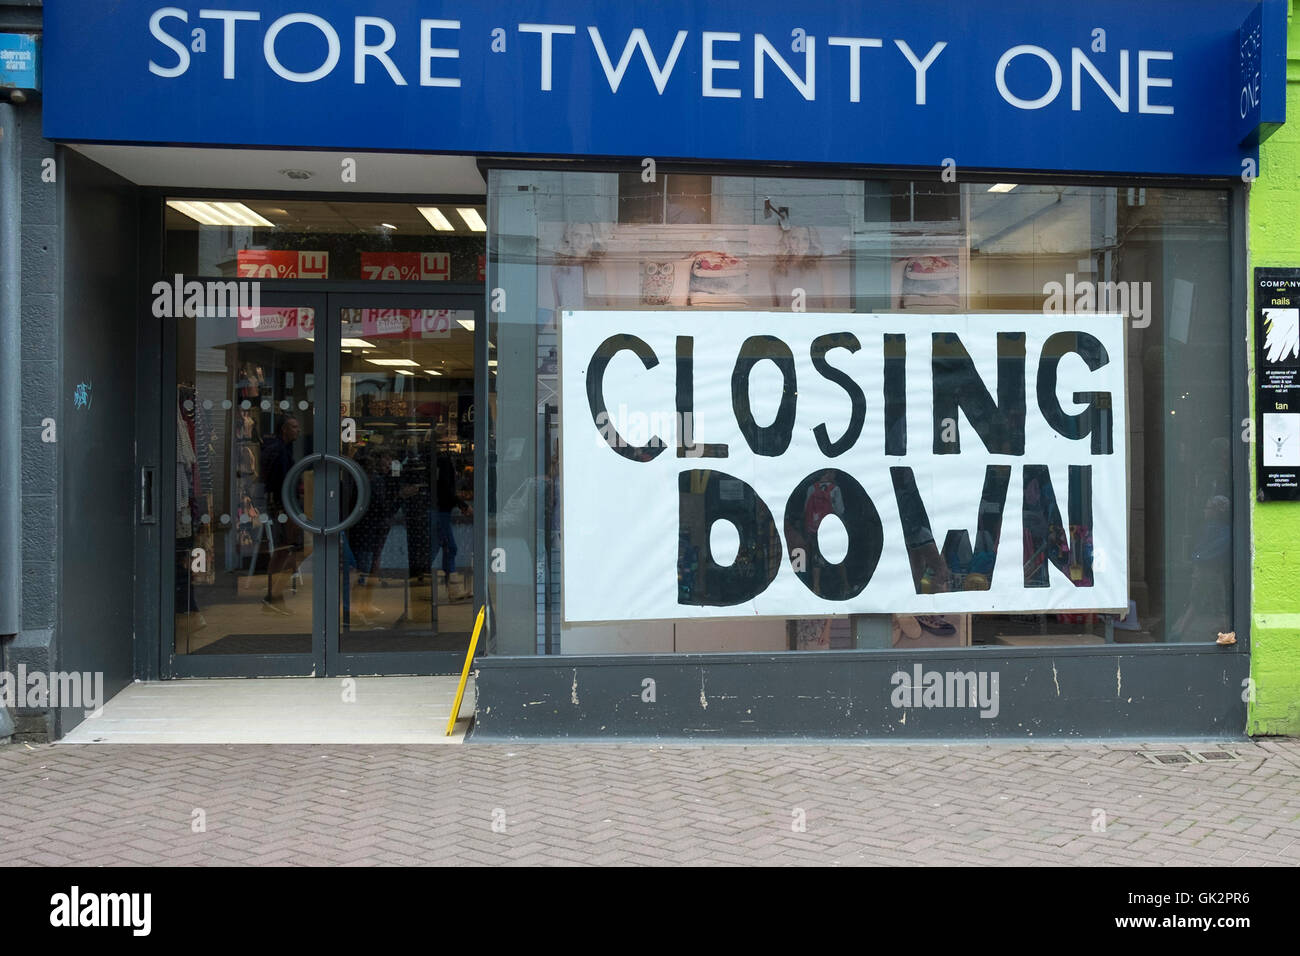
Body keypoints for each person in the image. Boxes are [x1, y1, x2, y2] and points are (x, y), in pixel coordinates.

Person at [261, 416, 304, 615]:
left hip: (283, 504)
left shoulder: (281, 449)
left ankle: (274, 595)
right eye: (294, 427)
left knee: (285, 551)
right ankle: (274, 596)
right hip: (282, 506)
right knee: (286, 551)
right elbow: (279, 483)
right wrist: (286, 508)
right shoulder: (279, 451)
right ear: (284, 429)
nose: (298, 430)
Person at [434, 452, 473, 602]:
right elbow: (447, 490)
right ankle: (453, 588)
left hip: (442, 511)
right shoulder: (445, 463)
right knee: (450, 548)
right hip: (442, 512)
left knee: (443, 548)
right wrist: (462, 504)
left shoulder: (441, 461)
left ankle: (451, 587)